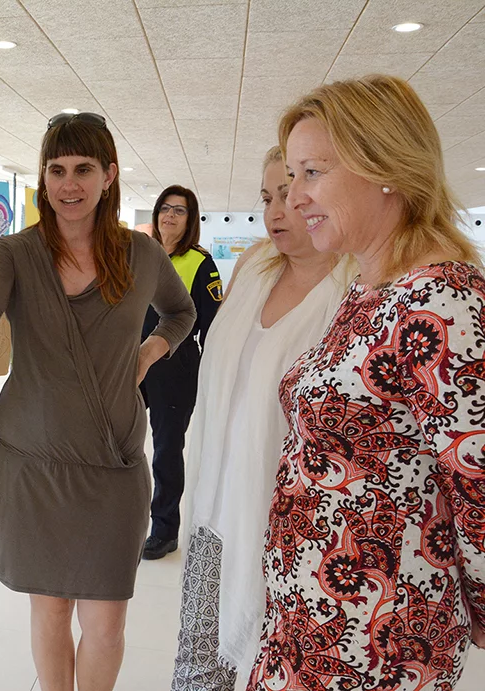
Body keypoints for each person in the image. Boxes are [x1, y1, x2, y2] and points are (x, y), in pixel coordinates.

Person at [0, 112, 196, 691]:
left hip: (113, 467)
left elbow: (182, 312)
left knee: (105, 621)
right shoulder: (16, 254)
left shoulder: (144, 257)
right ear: (43, 177)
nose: (68, 185)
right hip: (36, 464)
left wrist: (150, 353)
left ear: (109, 175)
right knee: (49, 611)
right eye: (56, 170)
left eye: (83, 170)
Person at [249, 74, 485, 691]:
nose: (294, 197)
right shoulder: (368, 287)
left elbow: (478, 479)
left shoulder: (443, 301)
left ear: (385, 166)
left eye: (311, 173)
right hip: (309, 625)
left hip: (377, 642)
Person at [171, 145, 352, 691]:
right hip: (212, 512)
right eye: (268, 197)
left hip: (285, 529)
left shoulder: (353, 290)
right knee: (198, 667)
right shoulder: (253, 268)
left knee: (262, 664)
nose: (277, 211)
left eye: (293, 195)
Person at [140, 185, 222, 560]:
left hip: (175, 368)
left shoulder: (200, 264)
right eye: (165, 208)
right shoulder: (138, 254)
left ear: (190, 221)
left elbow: (212, 326)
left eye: (180, 211)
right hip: (128, 363)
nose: (170, 216)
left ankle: (164, 529)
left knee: (166, 450)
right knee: (114, 441)